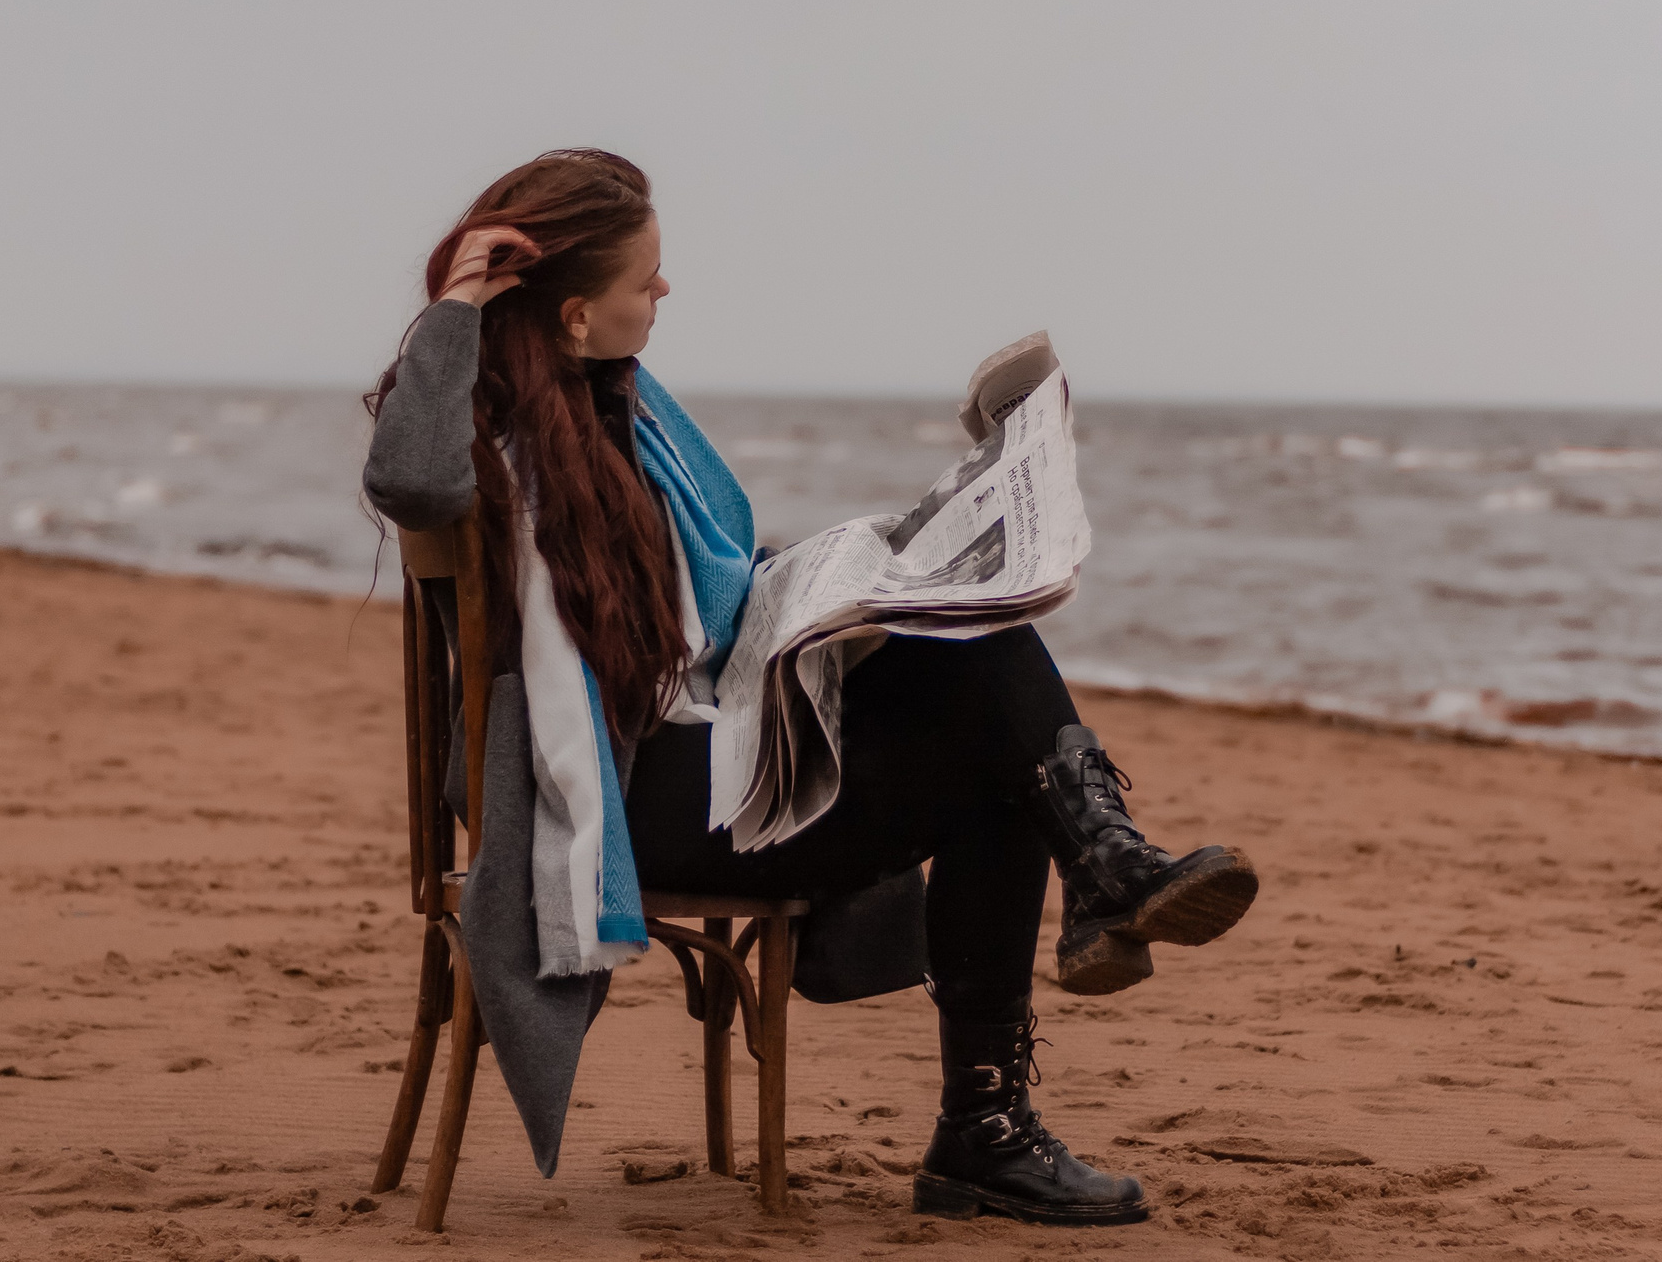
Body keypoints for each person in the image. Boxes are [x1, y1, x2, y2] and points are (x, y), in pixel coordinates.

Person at [362, 149, 1256, 1226]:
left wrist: (872, 588)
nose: (663, 292)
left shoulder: (618, 420)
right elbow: (407, 478)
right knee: (994, 760)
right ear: (569, 318)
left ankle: (1091, 881)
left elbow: (714, 606)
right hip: (607, 802)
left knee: (972, 638)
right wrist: (457, 303)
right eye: (643, 280)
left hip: (693, 750)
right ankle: (1011, 1071)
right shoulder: (489, 438)